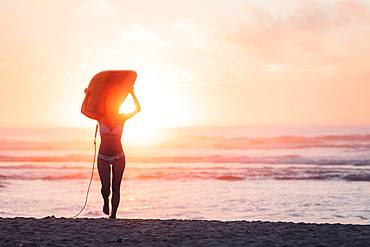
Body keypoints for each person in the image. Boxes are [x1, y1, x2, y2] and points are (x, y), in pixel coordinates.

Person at [81, 88, 140, 219]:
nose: (112, 104)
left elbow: (137, 109)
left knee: (116, 186)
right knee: (106, 187)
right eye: (109, 102)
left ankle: (113, 215)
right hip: (103, 157)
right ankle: (105, 200)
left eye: (114, 102)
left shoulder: (122, 117)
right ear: (105, 103)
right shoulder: (100, 117)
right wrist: (87, 96)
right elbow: (84, 111)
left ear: (118, 104)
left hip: (119, 156)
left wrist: (131, 93)